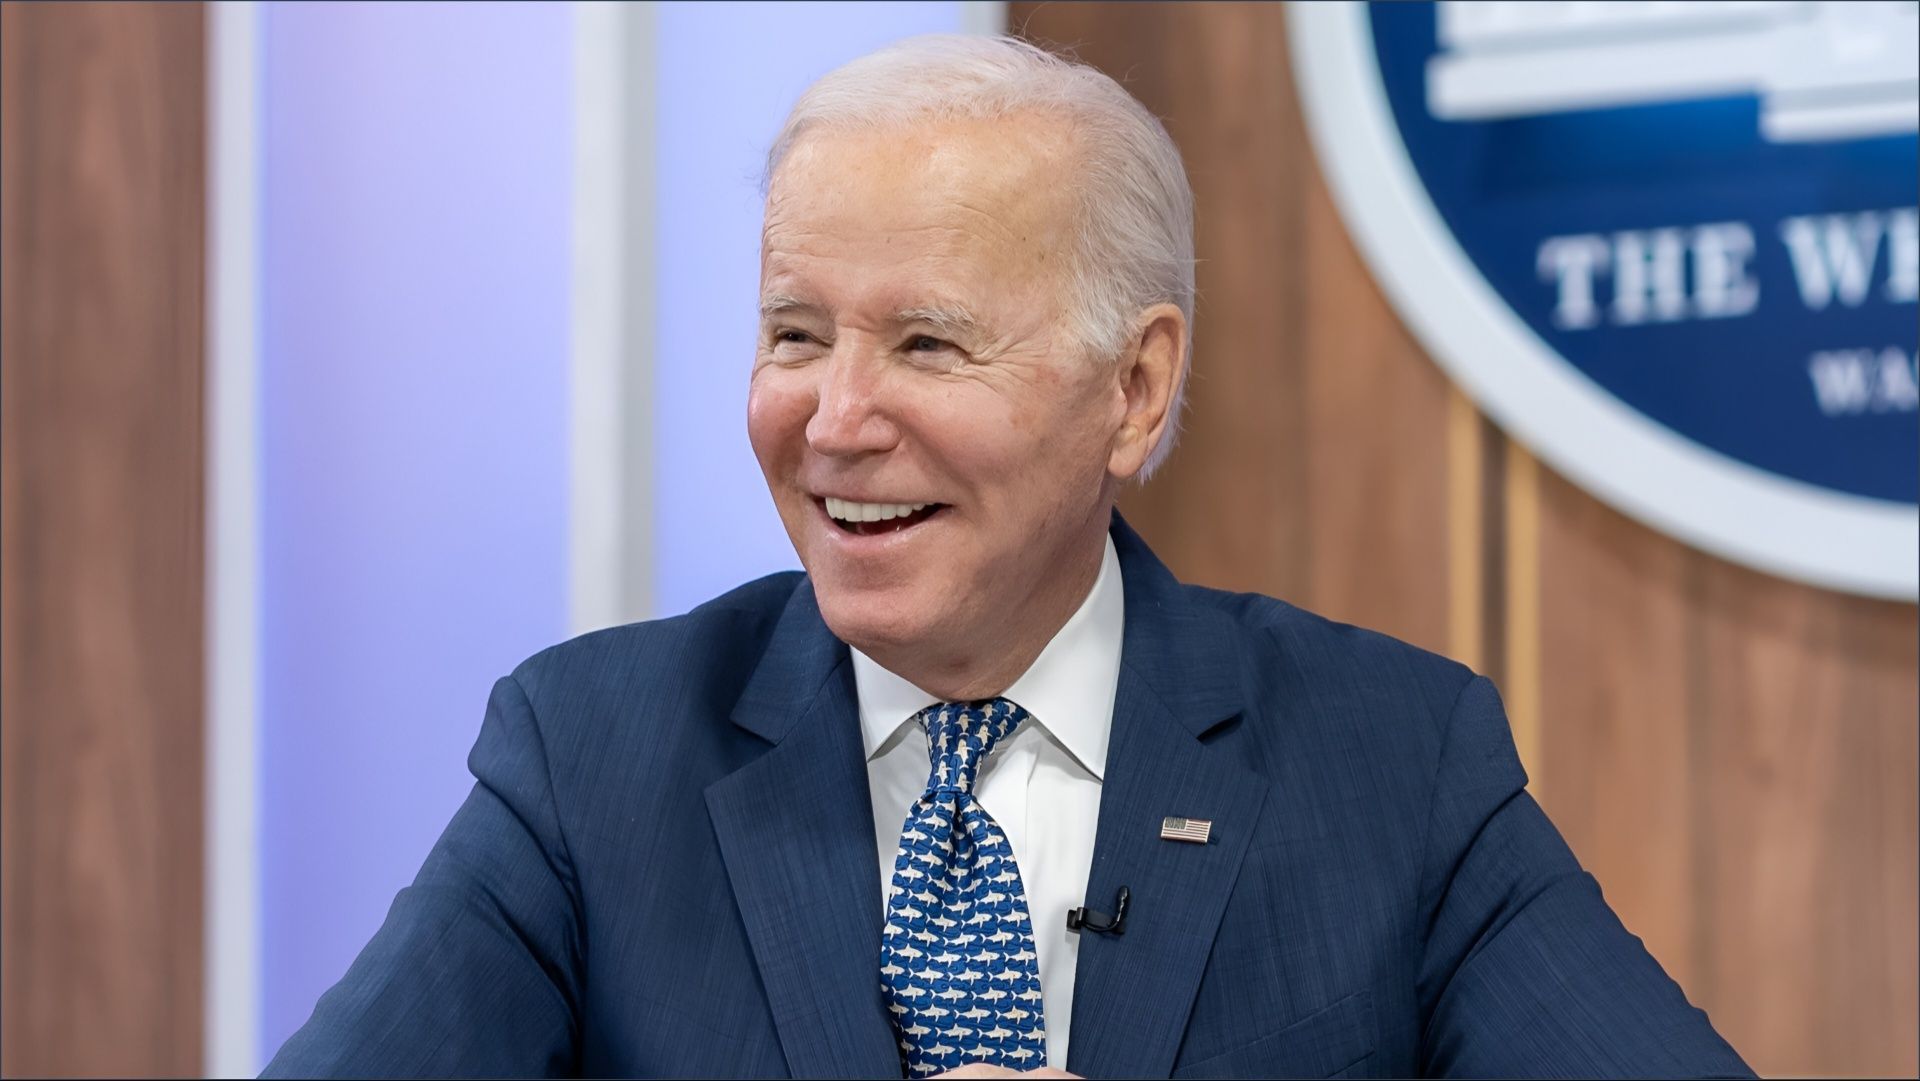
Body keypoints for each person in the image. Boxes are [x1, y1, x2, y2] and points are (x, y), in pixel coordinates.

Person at [264, 34, 1752, 1079]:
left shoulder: (1392, 761)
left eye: (927, 341)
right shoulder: (589, 761)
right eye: (795, 333)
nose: (834, 419)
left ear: (1135, 388)